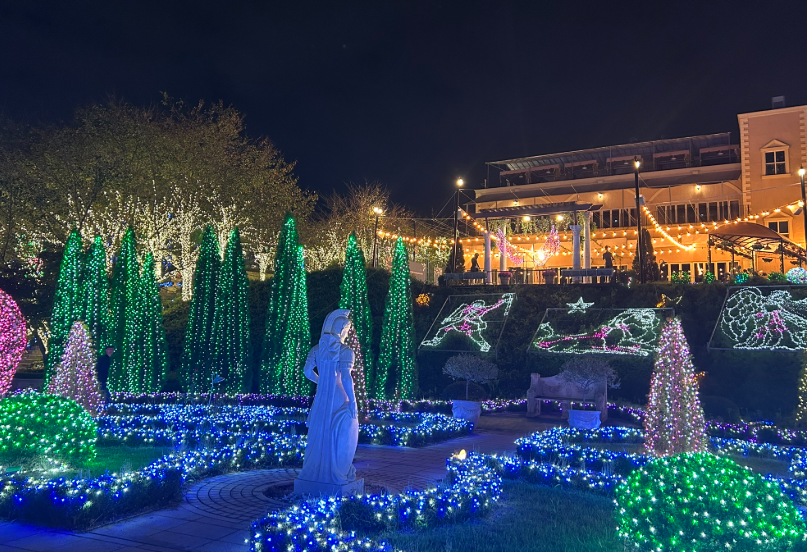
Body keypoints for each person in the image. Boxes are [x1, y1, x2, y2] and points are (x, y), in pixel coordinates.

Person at [296, 309, 359, 489]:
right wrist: (353, 402)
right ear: (341, 330)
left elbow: (307, 372)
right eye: (347, 329)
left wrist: (322, 381)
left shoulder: (316, 349)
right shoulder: (346, 351)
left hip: (322, 397)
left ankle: (315, 472)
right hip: (339, 396)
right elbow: (346, 378)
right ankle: (336, 471)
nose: (348, 332)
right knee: (340, 432)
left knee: (319, 431)